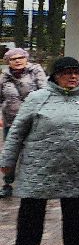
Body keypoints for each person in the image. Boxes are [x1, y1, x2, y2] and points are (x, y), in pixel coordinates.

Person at [2, 56, 79, 245]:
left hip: (75, 165)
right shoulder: (37, 98)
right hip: (38, 166)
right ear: (55, 76)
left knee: (77, 208)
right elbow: (17, 131)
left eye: (76, 73)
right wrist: (7, 160)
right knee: (32, 210)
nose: (73, 76)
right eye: (67, 73)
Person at [1, 47, 48, 198]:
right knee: (10, 154)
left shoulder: (36, 71)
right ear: (8, 61)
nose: (18, 61)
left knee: (34, 152)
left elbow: (45, 93)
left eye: (20, 57)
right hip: (11, 122)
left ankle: (36, 183)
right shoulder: (4, 77)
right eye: (13, 59)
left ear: (26, 59)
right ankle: (7, 184)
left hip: (33, 121)